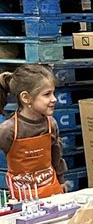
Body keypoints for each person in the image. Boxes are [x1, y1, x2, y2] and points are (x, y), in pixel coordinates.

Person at [0, 64, 66, 199]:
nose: (54, 99)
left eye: (53, 93)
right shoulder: (8, 130)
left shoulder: (51, 124)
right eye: (47, 94)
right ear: (26, 98)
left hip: (51, 192)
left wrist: (61, 181)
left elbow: (57, 157)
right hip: (22, 197)